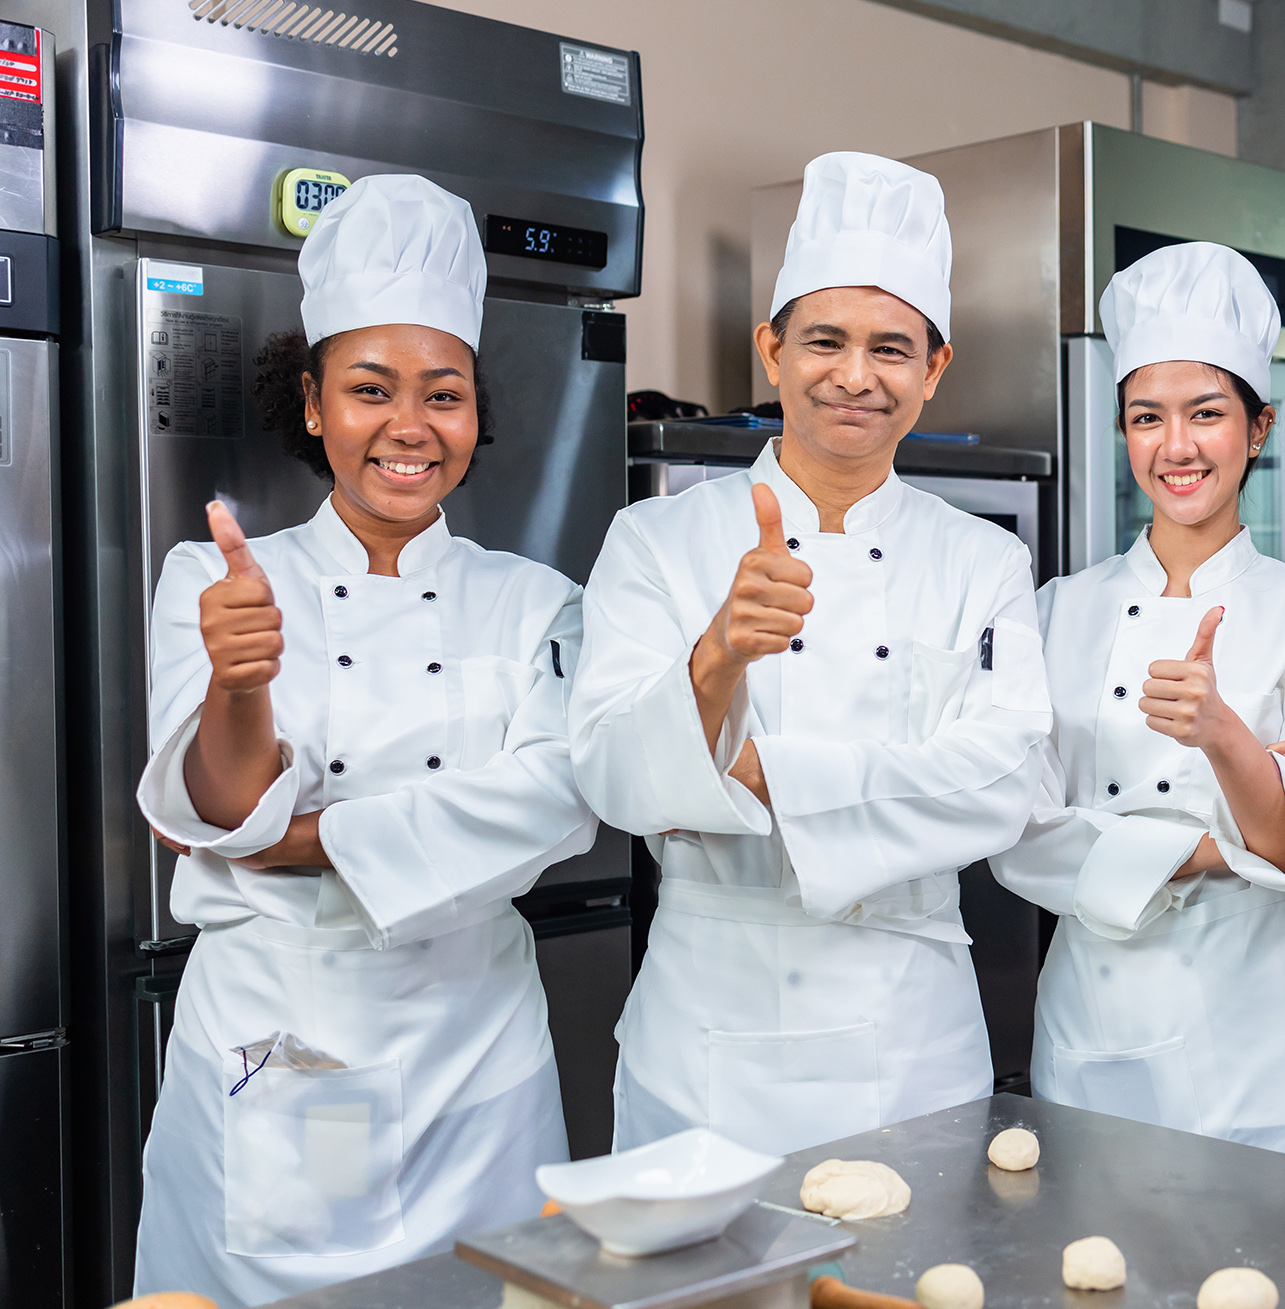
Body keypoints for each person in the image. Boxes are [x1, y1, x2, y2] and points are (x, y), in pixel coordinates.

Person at [131, 175, 598, 1307]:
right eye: (369, 389)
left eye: (443, 394)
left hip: (477, 1046)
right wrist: (241, 684)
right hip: (296, 1041)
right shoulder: (216, 578)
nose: (408, 426)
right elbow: (220, 812)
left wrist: (315, 837)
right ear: (312, 404)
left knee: (489, 1294)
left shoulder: (538, 601)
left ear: (475, 414)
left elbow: (558, 805)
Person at [568, 152, 1052, 1157]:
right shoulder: (657, 542)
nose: (855, 376)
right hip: (708, 1030)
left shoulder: (983, 559)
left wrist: (758, 771)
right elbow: (610, 776)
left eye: (891, 347)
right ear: (772, 350)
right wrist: (716, 657)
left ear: (933, 369)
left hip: (910, 1031)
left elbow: (1006, 781)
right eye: (824, 340)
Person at [989, 242, 1285, 1164]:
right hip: (1089, 1020)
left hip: (1263, 1042)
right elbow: (1013, 826)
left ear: (1257, 428)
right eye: (1146, 417)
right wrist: (1224, 837)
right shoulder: (1055, 612)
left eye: (1206, 414)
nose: (1175, 446)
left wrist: (1219, 736)